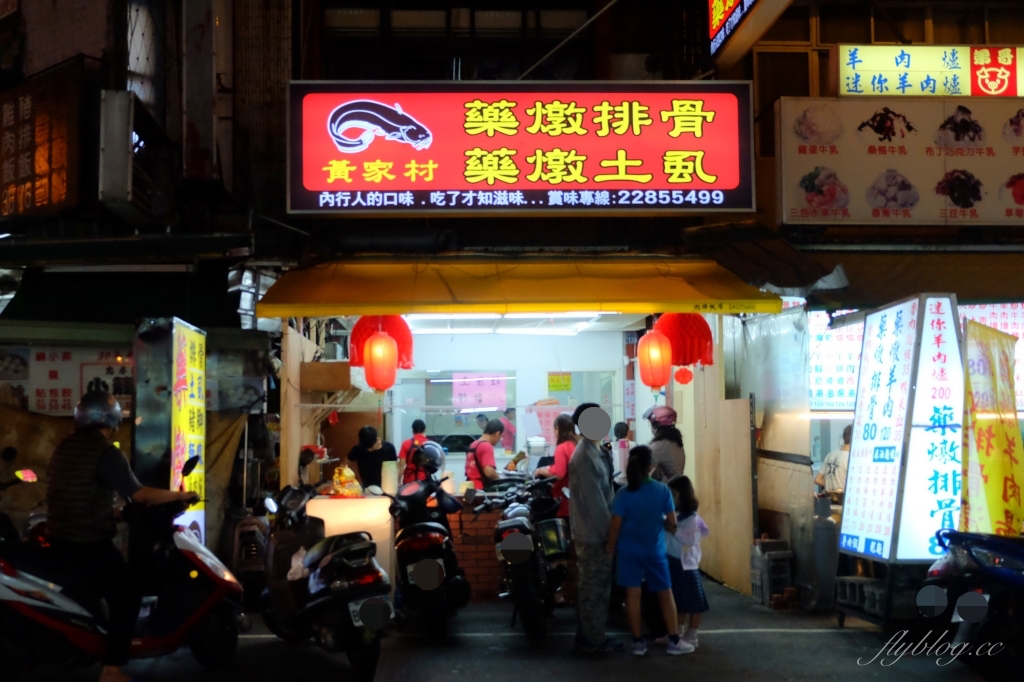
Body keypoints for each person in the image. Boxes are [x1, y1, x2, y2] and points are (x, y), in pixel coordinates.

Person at [47, 391, 198, 682]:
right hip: (86, 542)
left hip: (59, 536)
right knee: (128, 594)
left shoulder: (65, 446)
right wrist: (181, 495)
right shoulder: (106, 452)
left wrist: (113, 512)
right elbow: (140, 494)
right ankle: (112, 668)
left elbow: (79, 490)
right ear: (113, 420)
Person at [606, 446, 689, 656]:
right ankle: (673, 641)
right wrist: (662, 524)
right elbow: (671, 522)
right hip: (654, 550)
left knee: (633, 594)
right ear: (650, 466)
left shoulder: (623, 494)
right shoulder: (662, 490)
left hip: (627, 551)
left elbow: (615, 524)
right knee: (664, 593)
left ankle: (638, 643)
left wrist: (610, 547)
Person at [568, 402, 621, 653]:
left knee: (596, 586)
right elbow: (595, 504)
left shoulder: (596, 451)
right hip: (593, 535)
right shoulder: (584, 457)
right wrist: (610, 536)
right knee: (593, 588)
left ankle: (590, 634)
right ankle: (592, 641)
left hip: (597, 532)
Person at [657, 475, 709, 650]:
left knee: (694, 602)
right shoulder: (675, 515)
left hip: (687, 566)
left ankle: (692, 634)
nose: (670, 498)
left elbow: (691, 540)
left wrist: (673, 530)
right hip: (673, 562)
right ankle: (676, 633)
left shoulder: (691, 519)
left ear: (683, 495)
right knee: (679, 601)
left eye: (673, 494)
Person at [534, 413, 578, 518]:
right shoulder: (575, 445)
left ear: (557, 428)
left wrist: (541, 471)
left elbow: (559, 474)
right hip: (575, 497)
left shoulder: (562, 448)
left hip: (564, 499)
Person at [646, 406, 685, 482]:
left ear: (656, 426)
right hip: (678, 488)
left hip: (666, 490)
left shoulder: (659, 446)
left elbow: (643, 469)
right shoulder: (676, 441)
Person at [814, 425, 852, 501]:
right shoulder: (851, 459)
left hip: (829, 502)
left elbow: (818, 479)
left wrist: (832, 487)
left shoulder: (830, 455)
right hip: (843, 503)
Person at [466, 419, 504, 490]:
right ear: (498, 434)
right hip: (481, 489)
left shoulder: (473, 444)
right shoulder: (487, 446)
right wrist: (499, 478)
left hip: (469, 487)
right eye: (500, 436)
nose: (500, 439)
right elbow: (488, 471)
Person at [398, 419, 430, 484]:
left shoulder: (406, 443)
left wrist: (398, 481)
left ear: (412, 430)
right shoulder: (430, 444)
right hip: (424, 481)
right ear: (425, 430)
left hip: (409, 481)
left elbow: (401, 465)